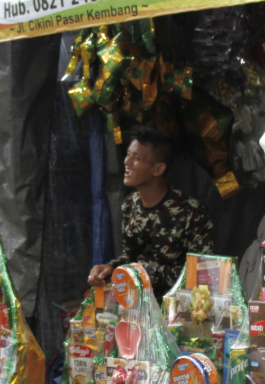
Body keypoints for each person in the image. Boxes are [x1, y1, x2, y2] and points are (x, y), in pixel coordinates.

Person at [88, 127, 217, 298]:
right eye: (128, 154)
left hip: (179, 310)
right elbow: (130, 257)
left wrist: (148, 273)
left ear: (158, 169)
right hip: (138, 306)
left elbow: (202, 272)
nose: (127, 162)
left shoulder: (191, 211)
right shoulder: (129, 206)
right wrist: (110, 268)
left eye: (137, 158)